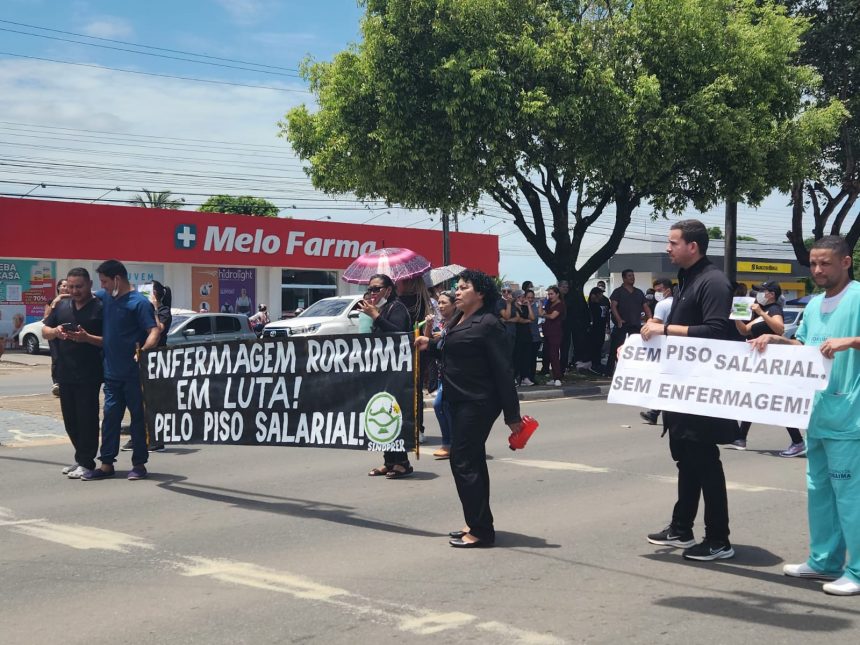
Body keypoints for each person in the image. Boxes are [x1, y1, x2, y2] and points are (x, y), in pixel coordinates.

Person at [750, 236, 860, 595]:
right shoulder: (814, 305)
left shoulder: (858, 296)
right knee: (820, 492)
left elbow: (842, 344)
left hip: (850, 416)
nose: (817, 270)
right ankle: (824, 560)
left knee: (851, 496)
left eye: (825, 263)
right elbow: (807, 347)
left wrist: (853, 341)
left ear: (845, 262)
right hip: (818, 415)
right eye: (813, 264)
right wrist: (779, 342)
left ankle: (857, 571)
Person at [640, 219, 737, 561]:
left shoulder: (713, 282)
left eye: (672, 242)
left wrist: (665, 328)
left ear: (692, 246)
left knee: (706, 462)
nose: (668, 248)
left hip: (703, 392)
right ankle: (682, 527)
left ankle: (719, 539)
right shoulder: (686, 280)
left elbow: (716, 331)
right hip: (680, 391)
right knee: (687, 461)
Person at [416, 269, 523, 548]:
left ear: (481, 294)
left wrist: (513, 415)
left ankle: (481, 531)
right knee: (471, 461)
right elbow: (455, 351)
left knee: (463, 461)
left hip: (478, 402)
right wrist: (431, 345)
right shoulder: (461, 318)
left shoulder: (489, 323)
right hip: (459, 399)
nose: (458, 291)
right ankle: (476, 521)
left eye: (464, 287)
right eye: (458, 287)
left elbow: (503, 370)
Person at [82, 260, 159, 481]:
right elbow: (85, 296)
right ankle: (106, 464)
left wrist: (143, 351)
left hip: (135, 375)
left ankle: (139, 464)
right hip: (112, 374)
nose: (102, 286)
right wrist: (60, 298)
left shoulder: (138, 303)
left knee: (138, 420)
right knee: (110, 419)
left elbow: (153, 330)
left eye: (105, 281)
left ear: (117, 278)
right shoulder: (107, 298)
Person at [728, 281, 805, 454]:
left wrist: (760, 312)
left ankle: (798, 441)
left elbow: (779, 329)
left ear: (771, 294)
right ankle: (741, 438)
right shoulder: (760, 314)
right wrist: (737, 316)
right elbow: (745, 331)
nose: (758, 295)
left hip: (771, 363)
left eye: (761, 291)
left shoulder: (774, 309)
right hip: (760, 362)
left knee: (775, 402)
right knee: (754, 398)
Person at [41, 268, 104, 479]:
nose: (75, 290)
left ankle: (87, 462)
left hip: (89, 374)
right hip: (64, 373)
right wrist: (56, 331)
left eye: (79, 286)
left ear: (90, 284)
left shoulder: (100, 308)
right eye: (71, 286)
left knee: (87, 419)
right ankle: (80, 458)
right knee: (71, 420)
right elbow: (45, 331)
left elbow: (109, 341)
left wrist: (87, 338)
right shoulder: (62, 306)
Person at [359, 273, 415, 479]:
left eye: (376, 289)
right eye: (369, 288)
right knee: (381, 413)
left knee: (392, 415)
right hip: (381, 372)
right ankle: (389, 461)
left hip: (397, 373)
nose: (372, 292)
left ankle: (402, 463)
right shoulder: (380, 309)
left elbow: (399, 334)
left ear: (388, 290)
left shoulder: (397, 308)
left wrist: (376, 317)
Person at [122, 280, 172, 453]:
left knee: (153, 401)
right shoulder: (141, 309)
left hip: (157, 361)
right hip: (141, 359)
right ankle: (138, 438)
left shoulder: (164, 311)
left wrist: (154, 308)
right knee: (138, 400)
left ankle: (156, 440)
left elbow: (158, 329)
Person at [426, 290, 457, 459]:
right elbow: (429, 345)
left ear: (454, 305)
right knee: (444, 406)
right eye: (439, 303)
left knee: (439, 405)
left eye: (444, 302)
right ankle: (452, 443)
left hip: (453, 373)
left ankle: (449, 444)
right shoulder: (443, 324)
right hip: (441, 372)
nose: (441, 306)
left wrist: (444, 336)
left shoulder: (457, 323)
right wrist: (430, 328)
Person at [640, 279, 674, 424]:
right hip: (680, 346)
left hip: (665, 346)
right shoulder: (679, 303)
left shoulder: (662, 305)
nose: (657, 294)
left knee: (664, 381)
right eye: (656, 291)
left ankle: (654, 412)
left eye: (660, 290)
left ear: (668, 290)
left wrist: (647, 324)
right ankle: (654, 412)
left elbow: (657, 323)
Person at [607, 269, 651, 374]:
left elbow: (646, 307)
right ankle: (609, 371)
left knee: (636, 347)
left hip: (635, 324)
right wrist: (618, 320)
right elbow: (613, 306)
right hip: (622, 324)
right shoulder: (618, 291)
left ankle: (634, 370)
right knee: (616, 347)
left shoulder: (639, 292)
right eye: (630, 276)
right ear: (624, 278)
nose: (632, 278)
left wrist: (650, 320)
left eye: (633, 276)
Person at [44, 278, 71, 397]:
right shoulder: (52, 301)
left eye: (67, 286)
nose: (65, 288)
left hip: (68, 333)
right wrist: (56, 301)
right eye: (63, 286)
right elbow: (46, 318)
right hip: (54, 333)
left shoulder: (72, 299)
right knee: (56, 358)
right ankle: (56, 383)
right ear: (58, 287)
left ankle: (66, 382)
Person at [540, 286, 566, 386]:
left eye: (552, 294)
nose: (550, 296)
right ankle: (554, 376)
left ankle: (558, 377)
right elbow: (542, 312)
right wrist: (542, 307)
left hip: (555, 332)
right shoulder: (549, 303)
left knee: (554, 355)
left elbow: (552, 316)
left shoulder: (560, 305)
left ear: (557, 294)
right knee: (549, 355)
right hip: (547, 332)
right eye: (549, 294)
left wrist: (544, 315)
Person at [512, 289, 536, 386]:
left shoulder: (524, 307)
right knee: (517, 357)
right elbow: (519, 319)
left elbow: (532, 318)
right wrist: (527, 321)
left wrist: (529, 306)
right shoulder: (513, 307)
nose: (523, 299)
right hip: (518, 335)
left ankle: (525, 377)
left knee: (526, 357)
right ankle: (514, 377)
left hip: (527, 335)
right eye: (521, 297)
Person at [586, 287, 610, 376]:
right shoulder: (591, 305)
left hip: (601, 328)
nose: (601, 296)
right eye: (599, 294)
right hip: (595, 329)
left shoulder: (600, 303)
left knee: (599, 346)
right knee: (595, 346)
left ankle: (597, 363)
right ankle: (594, 364)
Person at [524, 290, 542, 384]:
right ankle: (524, 377)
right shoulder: (522, 306)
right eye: (528, 297)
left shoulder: (535, 306)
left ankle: (532, 377)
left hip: (535, 336)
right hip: (525, 336)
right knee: (525, 358)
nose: (530, 299)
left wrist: (530, 306)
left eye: (532, 297)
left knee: (532, 359)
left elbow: (533, 318)